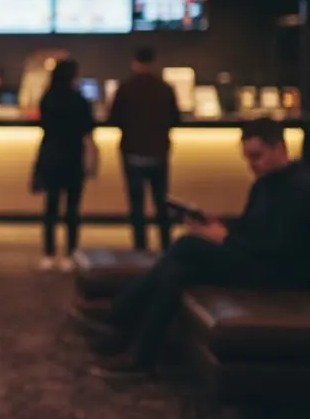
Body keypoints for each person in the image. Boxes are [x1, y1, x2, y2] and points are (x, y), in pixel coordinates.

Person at [88, 118, 310, 379]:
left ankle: (118, 314)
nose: (252, 165)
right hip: (255, 261)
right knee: (177, 271)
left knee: (187, 245)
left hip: (277, 274)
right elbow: (251, 226)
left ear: (279, 148)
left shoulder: (299, 187)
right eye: (248, 158)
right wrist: (218, 225)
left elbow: (278, 247)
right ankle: (140, 355)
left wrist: (225, 238)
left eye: (257, 156)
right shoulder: (264, 184)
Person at [108, 47, 181, 254]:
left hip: (132, 153)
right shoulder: (165, 88)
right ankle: (165, 247)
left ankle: (140, 248)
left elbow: (114, 119)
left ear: (134, 62)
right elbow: (175, 119)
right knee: (161, 203)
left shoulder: (125, 88)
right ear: (154, 62)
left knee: (136, 205)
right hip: (159, 153)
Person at [36, 59, 96, 271]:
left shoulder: (48, 98)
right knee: (72, 209)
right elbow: (88, 131)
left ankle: (48, 253)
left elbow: (43, 124)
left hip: (52, 156)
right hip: (73, 157)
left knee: (50, 207)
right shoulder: (80, 100)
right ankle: (71, 253)